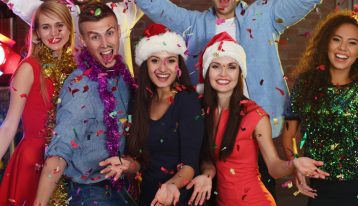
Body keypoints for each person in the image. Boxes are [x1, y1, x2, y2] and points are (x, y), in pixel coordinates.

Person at [186, 32, 329, 206]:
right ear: (207, 71)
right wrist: (207, 175)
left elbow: (274, 167)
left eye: (231, 67)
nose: (223, 73)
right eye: (216, 66)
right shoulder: (201, 111)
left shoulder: (255, 115)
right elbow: (209, 157)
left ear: (240, 72)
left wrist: (293, 164)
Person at [33, 2, 137, 205]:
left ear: (118, 31)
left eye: (109, 33)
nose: (105, 44)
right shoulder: (80, 86)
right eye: (94, 36)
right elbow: (59, 152)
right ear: (83, 40)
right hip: (91, 193)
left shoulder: (123, 75)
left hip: (121, 187)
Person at [99, 24, 204, 206]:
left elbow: (190, 165)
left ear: (178, 64)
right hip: (148, 196)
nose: (162, 68)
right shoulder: (140, 101)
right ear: (146, 63)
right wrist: (128, 165)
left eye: (170, 60)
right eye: (155, 60)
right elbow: (142, 162)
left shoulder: (187, 101)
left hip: (180, 196)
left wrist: (171, 186)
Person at [0, 1, 76, 205]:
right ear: (37, 34)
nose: (54, 32)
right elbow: (9, 125)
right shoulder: (29, 68)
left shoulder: (75, 69)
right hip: (32, 160)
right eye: (46, 27)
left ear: (69, 28)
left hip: (67, 161)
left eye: (59, 25)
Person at [282, 9, 358, 205]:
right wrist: (296, 164)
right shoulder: (306, 83)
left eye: (352, 43)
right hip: (320, 190)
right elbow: (289, 135)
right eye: (336, 40)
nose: (343, 48)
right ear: (326, 43)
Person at [2, 0, 143, 75]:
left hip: (122, 106)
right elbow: (23, 4)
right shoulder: (61, 16)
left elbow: (153, 4)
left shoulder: (120, 13)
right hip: (78, 107)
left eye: (110, 32)